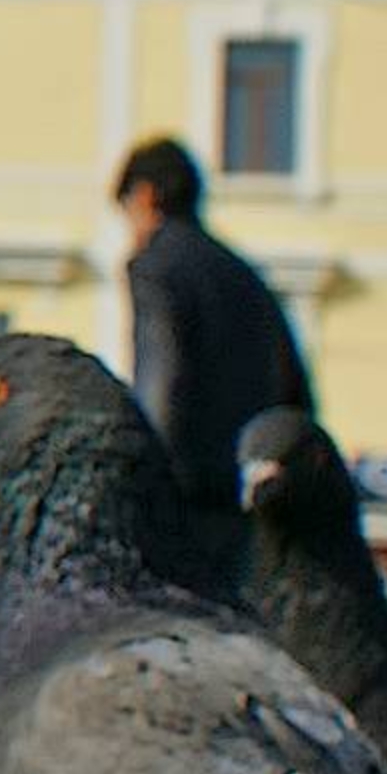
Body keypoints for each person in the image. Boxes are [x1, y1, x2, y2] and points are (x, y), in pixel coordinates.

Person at [110, 135, 311, 576]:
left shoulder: (156, 264)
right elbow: (294, 389)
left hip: (185, 493)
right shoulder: (241, 271)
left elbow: (161, 376)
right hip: (242, 495)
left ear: (145, 195)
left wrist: (143, 471)